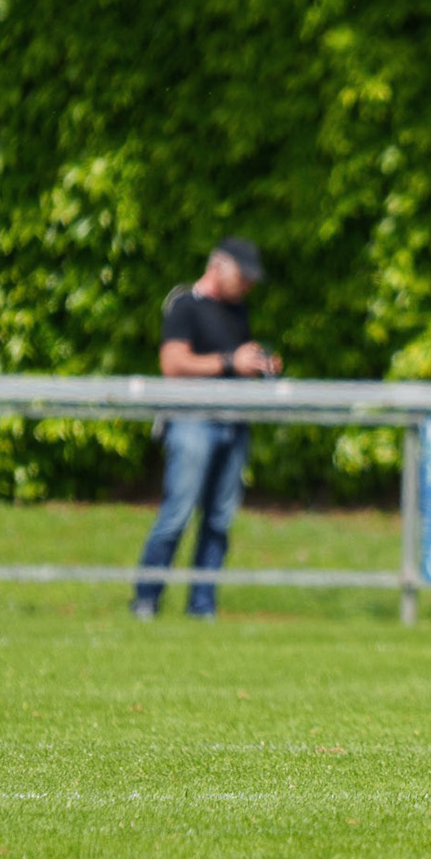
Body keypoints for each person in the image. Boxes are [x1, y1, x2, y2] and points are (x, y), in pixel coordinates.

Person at [129, 237, 282, 621]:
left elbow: (234, 362)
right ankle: (146, 599)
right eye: (243, 277)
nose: (248, 285)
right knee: (177, 513)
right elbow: (173, 364)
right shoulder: (184, 304)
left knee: (219, 520)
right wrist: (231, 361)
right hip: (192, 422)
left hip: (233, 422)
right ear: (219, 267)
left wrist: (257, 365)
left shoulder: (237, 310)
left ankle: (202, 605)